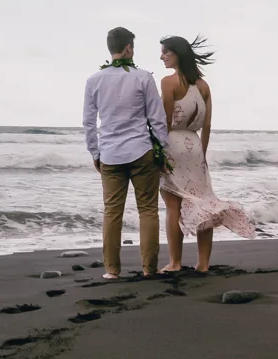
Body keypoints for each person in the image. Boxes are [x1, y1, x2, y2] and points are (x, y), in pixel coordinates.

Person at [157, 35, 256, 273]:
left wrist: (158, 151)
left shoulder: (169, 82)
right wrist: (202, 155)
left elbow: (165, 122)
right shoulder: (203, 86)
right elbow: (208, 125)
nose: (162, 57)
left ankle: (175, 262)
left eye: (166, 53)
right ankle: (203, 263)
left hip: (172, 144)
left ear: (178, 54)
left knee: (173, 205)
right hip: (195, 146)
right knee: (204, 202)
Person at [81, 26, 170, 279]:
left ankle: (112, 270)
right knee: (148, 210)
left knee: (112, 212)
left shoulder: (94, 80)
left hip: (110, 154)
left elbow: (89, 122)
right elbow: (157, 119)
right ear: (129, 48)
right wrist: (162, 151)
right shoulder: (143, 77)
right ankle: (149, 269)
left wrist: (95, 152)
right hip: (141, 151)